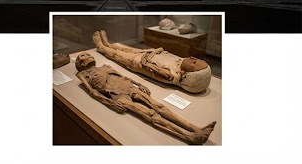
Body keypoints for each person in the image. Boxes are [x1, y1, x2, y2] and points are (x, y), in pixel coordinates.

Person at [75, 52, 216, 145]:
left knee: (158, 106)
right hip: (116, 95)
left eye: (87, 53)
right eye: (82, 56)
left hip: (129, 86)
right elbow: (93, 92)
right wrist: (110, 103)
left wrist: (139, 83)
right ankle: (188, 137)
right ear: (79, 64)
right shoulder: (82, 75)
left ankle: (196, 129)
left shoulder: (106, 66)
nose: (86, 55)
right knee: (150, 115)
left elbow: (124, 76)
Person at [92, 30, 211, 93]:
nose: (193, 58)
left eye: (193, 63)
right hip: (150, 54)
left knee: (117, 54)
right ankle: (108, 44)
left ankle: (102, 47)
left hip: (139, 61)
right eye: (196, 59)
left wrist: (145, 61)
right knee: (125, 49)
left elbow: (152, 68)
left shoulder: (170, 76)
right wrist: (157, 51)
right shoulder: (180, 63)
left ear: (188, 75)